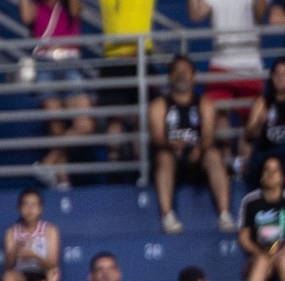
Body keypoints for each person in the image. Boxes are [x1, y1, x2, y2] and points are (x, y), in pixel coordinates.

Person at [150, 56, 234, 235]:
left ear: (193, 77)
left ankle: (225, 215)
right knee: (163, 157)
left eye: (185, 71)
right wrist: (173, 146)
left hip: (197, 158)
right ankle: (168, 216)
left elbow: (209, 135)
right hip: (171, 157)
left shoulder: (204, 103)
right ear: (170, 77)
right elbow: (157, 137)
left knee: (213, 155)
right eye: (177, 71)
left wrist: (199, 148)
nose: (181, 75)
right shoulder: (160, 104)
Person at [22, 0, 93, 191]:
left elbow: (77, 9)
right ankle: (63, 183)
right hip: (44, 65)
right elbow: (26, 17)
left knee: (85, 125)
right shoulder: (36, 7)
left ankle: (47, 163)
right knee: (56, 127)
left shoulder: (69, 5)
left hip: (70, 64)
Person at [188, 0, 266, 171]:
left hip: (250, 66)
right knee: (217, 117)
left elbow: (259, 14)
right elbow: (195, 16)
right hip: (220, 63)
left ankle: (244, 169)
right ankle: (226, 167)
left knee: (249, 124)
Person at [96, 0, 156, 168]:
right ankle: (118, 174)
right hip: (117, 61)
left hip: (137, 59)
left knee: (141, 122)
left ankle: (139, 174)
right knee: (117, 124)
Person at [238, 156, 285, 281]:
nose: (271, 174)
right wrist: (258, 252)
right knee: (262, 258)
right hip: (260, 256)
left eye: (275, 170)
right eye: (267, 170)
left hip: (283, 255)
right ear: (261, 175)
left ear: (282, 176)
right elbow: (244, 237)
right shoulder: (251, 201)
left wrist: (278, 251)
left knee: (283, 257)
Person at [2, 188, 61, 281]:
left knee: (54, 275)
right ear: (19, 208)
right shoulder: (12, 232)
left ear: (40, 209)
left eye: (34, 205)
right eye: (25, 204)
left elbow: (53, 264)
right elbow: (8, 267)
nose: (29, 209)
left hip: (43, 273)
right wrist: (14, 250)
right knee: (8, 277)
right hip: (21, 274)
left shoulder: (50, 230)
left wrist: (34, 255)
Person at [243, 58, 285, 190]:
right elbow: (249, 134)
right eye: (277, 74)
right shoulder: (263, 102)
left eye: (284, 74)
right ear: (272, 77)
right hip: (267, 154)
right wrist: (259, 123)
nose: (281, 78)